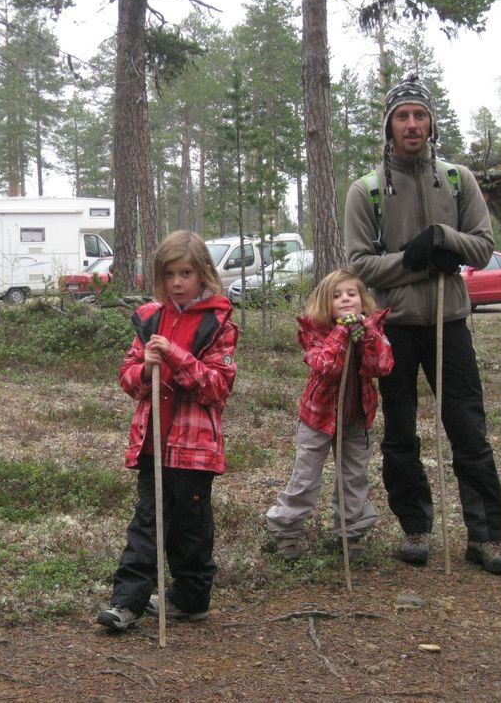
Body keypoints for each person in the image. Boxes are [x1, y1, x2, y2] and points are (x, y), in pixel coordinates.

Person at [343, 73, 501, 576]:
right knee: (400, 431)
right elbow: (357, 264)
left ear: (431, 123)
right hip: (393, 327)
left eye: (420, 115)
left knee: (468, 430)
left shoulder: (459, 179)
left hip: (451, 321)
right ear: (389, 127)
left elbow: (482, 246)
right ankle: (414, 529)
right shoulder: (367, 191)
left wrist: (443, 236)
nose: (413, 124)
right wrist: (418, 259)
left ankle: (486, 537)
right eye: (403, 116)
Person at [97, 230, 239, 630]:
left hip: (194, 447)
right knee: (147, 522)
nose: (177, 282)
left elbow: (217, 386)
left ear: (204, 273)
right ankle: (127, 603)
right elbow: (127, 378)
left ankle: (190, 598)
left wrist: (176, 357)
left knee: (191, 529)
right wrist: (146, 368)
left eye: (186, 273)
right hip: (153, 442)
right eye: (169, 274)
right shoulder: (149, 319)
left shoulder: (218, 322)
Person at [264, 269, 394, 562]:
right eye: (337, 296)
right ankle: (286, 531)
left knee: (353, 477)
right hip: (318, 418)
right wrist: (342, 332)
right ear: (325, 303)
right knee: (306, 476)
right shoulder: (313, 331)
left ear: (363, 299)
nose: (345, 299)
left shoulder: (370, 329)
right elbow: (327, 365)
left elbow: (381, 366)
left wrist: (365, 334)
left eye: (351, 294)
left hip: (356, 417)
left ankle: (352, 533)